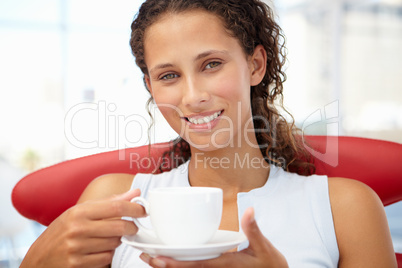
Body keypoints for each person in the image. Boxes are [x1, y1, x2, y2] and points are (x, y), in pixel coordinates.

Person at [20, 0, 397, 267]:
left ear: (255, 65)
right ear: (151, 86)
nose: (193, 96)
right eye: (169, 76)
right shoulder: (112, 201)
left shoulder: (347, 210)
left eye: (212, 64)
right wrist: (36, 261)